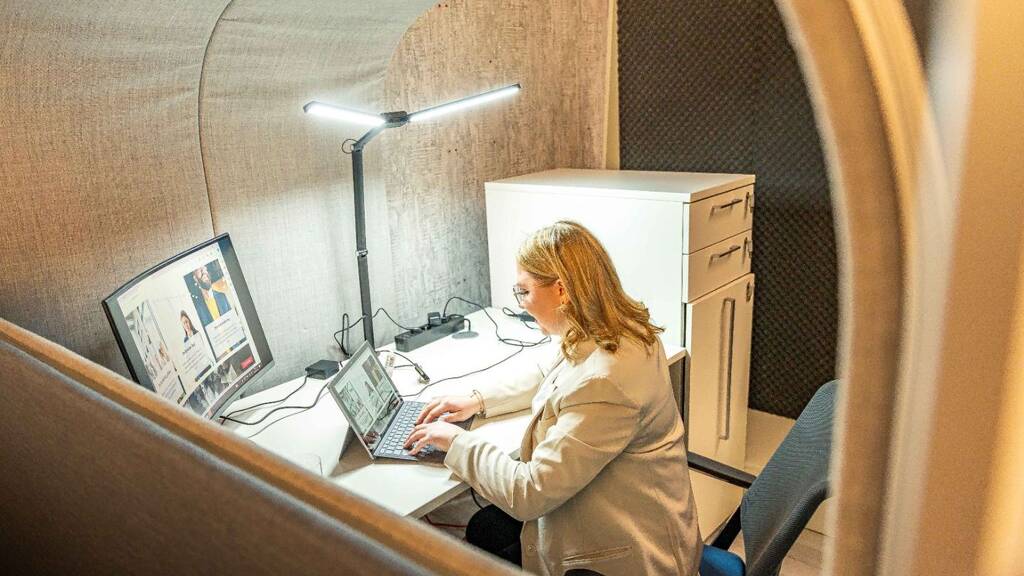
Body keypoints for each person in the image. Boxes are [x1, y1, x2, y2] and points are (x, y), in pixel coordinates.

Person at [404, 221, 702, 575]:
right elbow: (552, 373)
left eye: (524, 291)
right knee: (485, 527)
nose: (521, 304)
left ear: (561, 291)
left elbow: (529, 493)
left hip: (630, 555)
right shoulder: (619, 330)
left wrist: (456, 442)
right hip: (630, 514)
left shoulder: (606, 380)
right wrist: (478, 400)